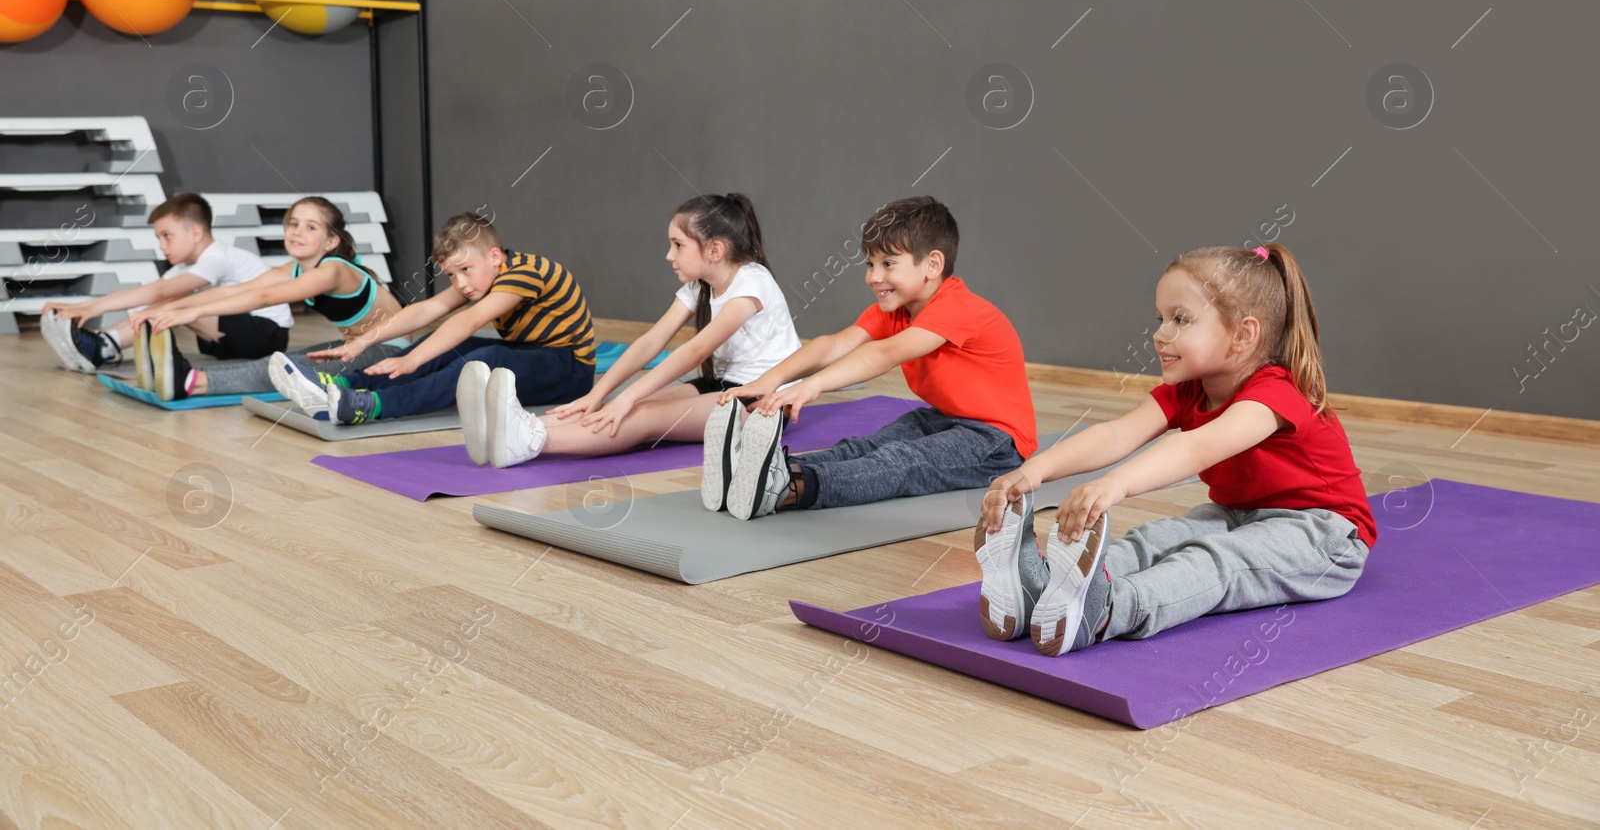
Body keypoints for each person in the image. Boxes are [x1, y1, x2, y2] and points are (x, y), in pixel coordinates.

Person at [975, 243, 1374, 657]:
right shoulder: (1188, 390)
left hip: (1324, 536)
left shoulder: (1276, 394)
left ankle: (1107, 610)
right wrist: (1035, 471)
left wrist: (1115, 485)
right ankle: (1041, 589)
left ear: (1242, 334)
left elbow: (1196, 448)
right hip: (1239, 514)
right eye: (1161, 318)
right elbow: (1118, 434)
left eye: (1180, 320)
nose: (1160, 333)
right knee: (1156, 539)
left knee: (1215, 560)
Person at [716, 195, 1038, 521]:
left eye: (888, 264)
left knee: (902, 460)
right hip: (942, 417)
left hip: (997, 442)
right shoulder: (897, 309)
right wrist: (769, 380)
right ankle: (761, 473)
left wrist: (811, 387)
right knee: (862, 447)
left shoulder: (957, 308)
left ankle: (791, 489)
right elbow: (834, 344)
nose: (874, 277)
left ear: (932, 265)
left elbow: (884, 353)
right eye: (870, 264)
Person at [467, 193, 801, 482]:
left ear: (714, 249)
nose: (669, 255)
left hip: (761, 403)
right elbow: (649, 342)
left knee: (642, 416)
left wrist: (627, 399)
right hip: (723, 385)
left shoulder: (753, 283)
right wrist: (599, 394)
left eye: (678, 245)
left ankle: (529, 440)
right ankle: (510, 427)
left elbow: (697, 349)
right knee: (619, 405)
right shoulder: (699, 286)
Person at [273, 212, 597, 425]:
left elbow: (467, 321)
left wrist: (412, 360)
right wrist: (360, 342)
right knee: (450, 346)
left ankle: (371, 404)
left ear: (495, 256)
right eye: (451, 275)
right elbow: (428, 310)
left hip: (569, 371)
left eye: (465, 270)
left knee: (486, 359)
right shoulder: (481, 277)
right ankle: (344, 384)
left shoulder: (526, 272)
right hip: (533, 356)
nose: (460, 284)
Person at [129, 197, 405, 403]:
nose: (297, 231)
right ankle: (176, 374)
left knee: (288, 369)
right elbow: (234, 291)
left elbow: (263, 297)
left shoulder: (333, 271)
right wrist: (169, 308)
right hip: (355, 346)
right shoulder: (295, 268)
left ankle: (192, 382)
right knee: (286, 358)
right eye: (293, 224)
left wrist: (191, 313)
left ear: (331, 241)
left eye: (311, 227)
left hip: (390, 351)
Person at [41, 193, 291, 388]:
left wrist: (92, 306)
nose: (162, 246)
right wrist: (92, 313)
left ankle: (103, 346)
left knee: (180, 300)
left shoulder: (218, 258)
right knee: (173, 300)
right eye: (158, 238)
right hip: (231, 334)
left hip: (266, 334)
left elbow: (161, 291)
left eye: (167, 236)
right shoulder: (187, 265)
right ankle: (101, 342)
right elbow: (152, 297)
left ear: (196, 233)